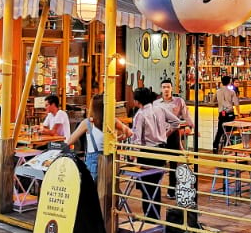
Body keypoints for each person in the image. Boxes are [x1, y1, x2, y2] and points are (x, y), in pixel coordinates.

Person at [131, 87, 181, 221]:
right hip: (161, 150)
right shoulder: (159, 108)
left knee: (146, 187)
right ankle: (155, 217)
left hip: (147, 153)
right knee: (156, 185)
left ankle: (150, 218)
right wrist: (165, 134)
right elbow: (176, 122)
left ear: (137, 101)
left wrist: (132, 156)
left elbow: (136, 139)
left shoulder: (140, 115)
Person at [65, 94, 133, 181]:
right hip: (110, 160)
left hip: (93, 162)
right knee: (107, 189)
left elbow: (70, 141)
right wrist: (118, 138)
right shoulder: (113, 121)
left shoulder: (87, 123)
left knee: (92, 191)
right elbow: (129, 133)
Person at [155, 79, 193, 198]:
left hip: (174, 134)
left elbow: (186, 115)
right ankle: (156, 191)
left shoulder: (178, 101)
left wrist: (193, 127)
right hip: (160, 135)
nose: (166, 89)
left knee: (173, 164)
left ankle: (171, 190)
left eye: (168, 87)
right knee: (159, 163)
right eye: (164, 87)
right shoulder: (156, 104)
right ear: (161, 89)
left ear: (172, 88)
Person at [213, 75, 241, 153]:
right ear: (229, 82)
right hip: (229, 113)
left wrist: (220, 103)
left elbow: (212, 101)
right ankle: (228, 146)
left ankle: (215, 146)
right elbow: (236, 103)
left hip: (222, 113)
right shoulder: (232, 92)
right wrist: (238, 113)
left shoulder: (218, 91)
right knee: (229, 131)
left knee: (220, 130)